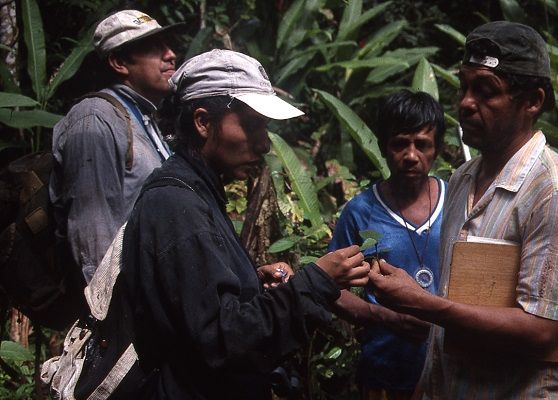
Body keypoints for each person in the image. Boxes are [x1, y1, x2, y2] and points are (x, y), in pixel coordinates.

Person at [119, 49, 371, 399]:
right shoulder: (178, 206)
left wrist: (249, 282)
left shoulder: (196, 192)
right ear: (203, 122)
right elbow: (223, 340)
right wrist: (317, 282)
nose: (264, 142)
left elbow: (201, 306)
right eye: (252, 124)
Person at [367, 21, 558, 399]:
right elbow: (453, 306)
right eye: (465, 86)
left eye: (486, 91)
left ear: (533, 101)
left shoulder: (556, 190)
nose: (466, 103)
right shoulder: (462, 179)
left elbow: (542, 329)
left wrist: (424, 304)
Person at [329, 89, 446, 399]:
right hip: (384, 371)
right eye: (399, 144)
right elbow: (331, 289)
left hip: (451, 371)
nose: (410, 156)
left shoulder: (458, 203)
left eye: (422, 145)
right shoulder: (361, 211)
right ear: (383, 147)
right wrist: (386, 317)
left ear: (438, 148)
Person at [50, 9, 180, 283]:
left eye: (168, 45)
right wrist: (113, 314)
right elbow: (91, 234)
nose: (170, 55)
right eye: (154, 48)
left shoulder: (144, 118)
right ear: (119, 62)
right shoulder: (95, 119)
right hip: (126, 305)